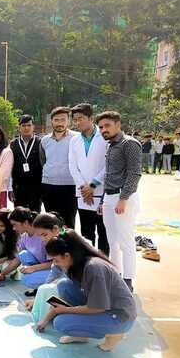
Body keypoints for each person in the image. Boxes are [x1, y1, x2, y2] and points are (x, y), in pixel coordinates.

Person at [37, 230, 137, 352]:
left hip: (119, 316)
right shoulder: (76, 265)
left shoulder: (94, 268)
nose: (55, 263)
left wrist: (63, 310)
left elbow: (98, 308)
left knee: (61, 322)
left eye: (56, 260)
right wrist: (46, 318)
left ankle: (114, 334)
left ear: (67, 256)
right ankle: (82, 334)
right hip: (105, 307)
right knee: (64, 285)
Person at [96, 111, 142, 292]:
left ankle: (128, 280)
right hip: (109, 197)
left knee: (125, 241)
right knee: (112, 241)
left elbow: (134, 173)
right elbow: (108, 176)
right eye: (101, 127)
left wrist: (123, 198)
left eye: (107, 125)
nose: (103, 130)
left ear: (118, 124)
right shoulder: (110, 145)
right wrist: (103, 200)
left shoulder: (129, 144)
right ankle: (116, 276)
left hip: (124, 197)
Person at [68, 103, 109, 256]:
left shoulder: (104, 137)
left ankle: (104, 263)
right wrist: (84, 187)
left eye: (81, 118)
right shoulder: (74, 140)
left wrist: (92, 185)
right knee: (86, 233)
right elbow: (72, 166)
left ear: (91, 118)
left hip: (101, 192)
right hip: (83, 194)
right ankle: (88, 264)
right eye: (75, 119)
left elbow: (108, 165)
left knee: (103, 233)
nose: (77, 122)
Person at [24, 212, 68, 323]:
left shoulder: (69, 244)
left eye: (44, 235)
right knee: (45, 289)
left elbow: (74, 278)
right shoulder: (57, 244)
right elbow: (53, 273)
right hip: (71, 286)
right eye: (40, 236)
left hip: (85, 294)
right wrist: (38, 299)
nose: (42, 239)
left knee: (61, 322)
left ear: (55, 229)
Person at [40, 107, 78, 229]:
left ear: (68, 121)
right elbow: (43, 161)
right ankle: (54, 241)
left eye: (63, 120)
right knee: (51, 222)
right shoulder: (44, 140)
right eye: (56, 120)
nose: (60, 123)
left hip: (70, 186)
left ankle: (67, 241)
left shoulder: (76, 138)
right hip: (48, 186)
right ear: (51, 121)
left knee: (68, 221)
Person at [8, 206, 53, 296]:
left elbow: (55, 263)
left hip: (55, 270)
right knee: (23, 254)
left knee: (27, 279)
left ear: (25, 223)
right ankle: (39, 288)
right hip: (42, 267)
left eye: (15, 224)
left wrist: (33, 268)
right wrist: (2, 274)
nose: (13, 228)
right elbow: (18, 259)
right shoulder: (24, 236)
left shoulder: (43, 235)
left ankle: (48, 290)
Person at [9, 114, 43, 212]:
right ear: (19, 127)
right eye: (23, 125)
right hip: (18, 187)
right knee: (19, 216)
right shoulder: (13, 144)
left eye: (29, 125)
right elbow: (10, 168)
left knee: (35, 215)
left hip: (36, 186)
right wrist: (10, 188)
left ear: (33, 127)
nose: (26, 128)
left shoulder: (40, 142)